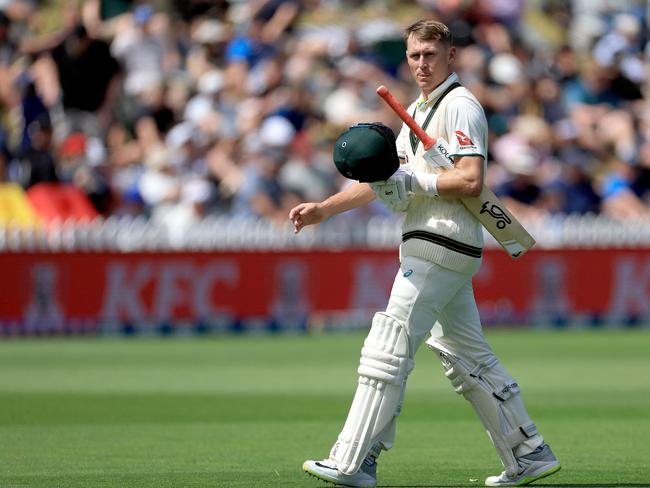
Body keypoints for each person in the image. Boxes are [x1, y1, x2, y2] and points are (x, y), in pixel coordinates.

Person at [289, 19, 561, 487]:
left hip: (441, 243)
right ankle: (529, 451)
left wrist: (419, 179)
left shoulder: (460, 106)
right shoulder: (419, 109)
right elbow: (387, 180)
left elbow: (470, 181)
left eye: (430, 55)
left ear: (450, 57)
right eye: (414, 55)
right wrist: (325, 210)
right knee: (466, 358)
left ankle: (353, 461)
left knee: (387, 346)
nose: (421, 64)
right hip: (434, 243)